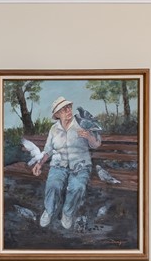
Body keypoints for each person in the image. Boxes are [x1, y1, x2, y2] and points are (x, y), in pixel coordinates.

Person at [32, 95, 101, 230]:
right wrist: (39, 163)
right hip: (58, 165)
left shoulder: (82, 122)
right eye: (64, 109)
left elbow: (96, 145)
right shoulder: (54, 129)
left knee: (77, 187)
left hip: (80, 165)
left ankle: (67, 213)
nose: (68, 110)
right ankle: (49, 211)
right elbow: (48, 150)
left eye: (69, 107)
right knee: (53, 185)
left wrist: (89, 136)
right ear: (57, 114)